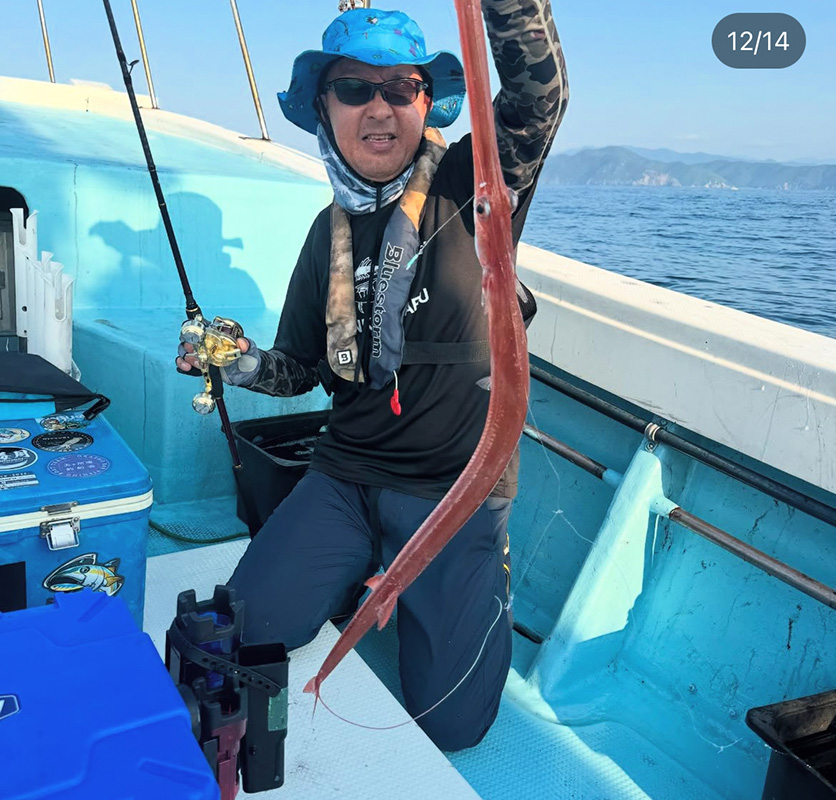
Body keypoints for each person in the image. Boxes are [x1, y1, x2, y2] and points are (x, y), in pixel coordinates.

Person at [177, 0, 568, 751]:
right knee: (242, 635)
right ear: (324, 108)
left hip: (455, 490)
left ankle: (473, 578)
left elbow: (538, 98)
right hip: (345, 476)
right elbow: (299, 370)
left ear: (426, 102)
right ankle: (354, 563)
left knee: (453, 724)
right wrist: (236, 359)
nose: (379, 108)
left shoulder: (475, 184)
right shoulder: (322, 236)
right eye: (354, 89)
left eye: (400, 88)